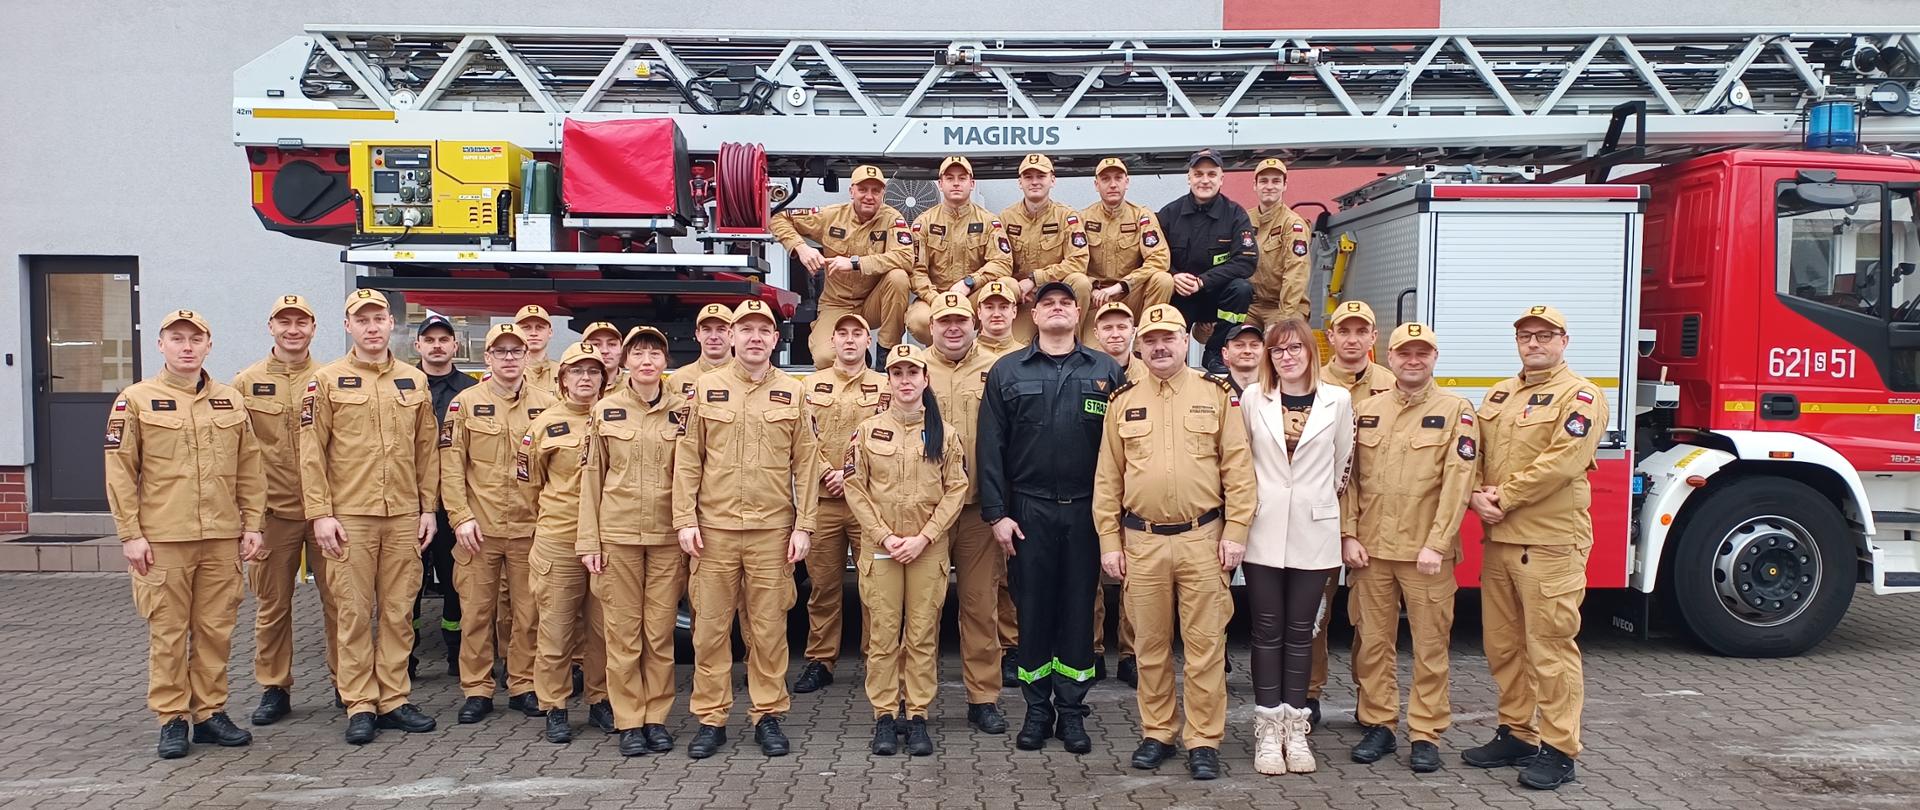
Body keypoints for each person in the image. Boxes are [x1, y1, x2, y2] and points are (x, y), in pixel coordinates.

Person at [1094, 304, 1255, 781]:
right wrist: (1109, 540)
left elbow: (1239, 472)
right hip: (1141, 541)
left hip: (1203, 539)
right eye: (1152, 339)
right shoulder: (1122, 400)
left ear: (1187, 342)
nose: (1160, 346)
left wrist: (1237, 531)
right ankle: (1157, 732)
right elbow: (1108, 479)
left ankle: (1203, 740)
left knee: (1206, 646)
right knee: (1150, 644)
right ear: (1140, 346)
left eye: (1170, 338)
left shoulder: (1215, 394)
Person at [106, 309, 265, 759]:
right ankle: (172, 717)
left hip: (221, 536)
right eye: (177, 338)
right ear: (161, 345)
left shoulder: (230, 401)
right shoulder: (135, 400)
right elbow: (120, 472)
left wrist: (252, 523)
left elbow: (250, 467)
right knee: (169, 632)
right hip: (164, 539)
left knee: (216, 629)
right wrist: (130, 534)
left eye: (196, 338)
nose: (187, 346)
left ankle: (210, 713)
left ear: (209, 345)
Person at [1461, 305, 1607, 791]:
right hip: (1500, 540)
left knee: (1550, 648)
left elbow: (1563, 461)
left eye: (1545, 335)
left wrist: (1503, 495)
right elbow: (1476, 452)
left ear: (1564, 340)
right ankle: (1517, 732)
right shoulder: (1501, 393)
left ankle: (1561, 748)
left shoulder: (1581, 396)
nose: (1534, 343)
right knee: (1504, 646)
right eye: (1526, 336)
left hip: (1548, 542)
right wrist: (1476, 494)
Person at [978, 282, 1126, 755]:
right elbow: (990, 448)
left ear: (1079, 313)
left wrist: (1115, 519)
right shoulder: (1007, 370)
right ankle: (1037, 709)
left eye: (1066, 303)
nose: (1057, 310)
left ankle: (1073, 711)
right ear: (1034, 316)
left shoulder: (1106, 370)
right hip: (1029, 510)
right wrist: (998, 513)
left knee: (1080, 612)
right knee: (1034, 611)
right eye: (1047, 304)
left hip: (1087, 510)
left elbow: (1124, 451)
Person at [674, 299, 819, 759]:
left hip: (772, 532)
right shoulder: (706, 389)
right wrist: (684, 519)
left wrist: (805, 526)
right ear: (732, 338)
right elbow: (687, 462)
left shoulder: (794, 394)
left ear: (777, 339)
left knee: (769, 629)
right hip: (713, 531)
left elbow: (807, 466)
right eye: (746, 329)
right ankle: (711, 718)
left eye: (765, 330)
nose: (755, 337)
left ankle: (768, 714)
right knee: (710, 630)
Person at [297, 288, 441, 744]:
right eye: (363, 320)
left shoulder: (412, 381)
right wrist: (320, 513)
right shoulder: (326, 381)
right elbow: (311, 453)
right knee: (354, 612)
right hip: (350, 515)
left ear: (392, 324)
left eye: (379, 318)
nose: (372, 326)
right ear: (348, 327)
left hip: (402, 515)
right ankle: (359, 701)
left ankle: (395, 698)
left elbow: (426, 450)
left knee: (399, 612)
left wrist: (428, 509)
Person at [1342, 322, 1478, 774]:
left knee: (1430, 646)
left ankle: (1425, 731)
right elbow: (1351, 481)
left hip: (1426, 556)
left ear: (1434, 358)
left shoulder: (1457, 410)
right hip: (1373, 551)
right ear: (1391, 356)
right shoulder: (1367, 409)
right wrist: (1349, 535)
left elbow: (1458, 484)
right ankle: (1379, 722)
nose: (1413, 360)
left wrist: (1438, 544)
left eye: (1422, 353)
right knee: (1372, 643)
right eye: (1404, 353)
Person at [1239, 318, 1354, 775]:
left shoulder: (1338, 400)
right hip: (1263, 529)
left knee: (1302, 632)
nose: (1286, 356)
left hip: (1314, 529)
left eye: (1295, 348)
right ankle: (1268, 730)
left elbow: (1343, 463)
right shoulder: (1253, 398)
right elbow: (1241, 459)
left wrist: (1320, 502)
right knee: (1267, 630)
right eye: (1278, 350)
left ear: (1311, 352)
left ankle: (1295, 728)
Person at [844, 344, 969, 756]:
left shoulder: (944, 433)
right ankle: (883, 714)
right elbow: (855, 487)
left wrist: (925, 537)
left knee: (920, 635)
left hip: (926, 548)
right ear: (889, 380)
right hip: (883, 547)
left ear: (925, 379)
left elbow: (956, 490)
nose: (905, 380)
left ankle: (916, 715)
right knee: (881, 635)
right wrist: (884, 536)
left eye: (912, 373)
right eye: (897, 373)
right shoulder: (867, 430)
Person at [579, 325, 687, 757]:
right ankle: (629, 721)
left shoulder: (683, 412)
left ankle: (657, 718)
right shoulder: (604, 412)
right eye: (638, 354)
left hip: (665, 537)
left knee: (659, 634)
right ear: (624, 362)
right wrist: (590, 541)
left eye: (655, 354)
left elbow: (691, 475)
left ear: (665, 363)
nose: (647, 361)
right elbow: (590, 480)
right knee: (623, 634)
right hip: (618, 537)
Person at [441, 323, 557, 723]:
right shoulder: (465, 404)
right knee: (476, 613)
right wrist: (460, 518)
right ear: (487, 358)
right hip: (480, 530)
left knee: (529, 614)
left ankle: (523, 684)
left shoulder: (549, 403)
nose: (509, 358)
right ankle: (477, 688)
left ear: (528, 357)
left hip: (531, 529)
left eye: (516, 351)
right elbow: (451, 467)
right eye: (500, 351)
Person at [234, 294, 340, 727]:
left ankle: (345, 681)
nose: (293, 329)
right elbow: (238, 454)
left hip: (327, 513)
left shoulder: (332, 378)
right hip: (272, 514)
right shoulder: (245, 383)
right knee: (272, 604)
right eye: (284, 322)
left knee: (340, 602)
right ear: (271, 327)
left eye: (301, 322)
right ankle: (274, 686)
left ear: (314, 328)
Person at [918, 292, 1011, 736]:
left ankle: (983, 698)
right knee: (923, 612)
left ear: (974, 324)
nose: (952, 328)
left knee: (980, 609)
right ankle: (916, 702)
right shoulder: (908, 371)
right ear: (930, 327)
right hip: (925, 516)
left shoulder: (998, 369)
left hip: (976, 511)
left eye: (960, 321)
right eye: (943, 321)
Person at [1303, 298, 1396, 723]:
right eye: (1345, 331)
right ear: (1331, 337)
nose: (1353, 339)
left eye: (1362, 331)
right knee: (1313, 614)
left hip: (1375, 517)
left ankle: (1369, 703)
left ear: (1373, 338)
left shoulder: (1394, 385)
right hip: (1319, 516)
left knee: (1369, 620)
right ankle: (1308, 693)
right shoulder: (1310, 384)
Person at [517, 342, 612, 743]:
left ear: (604, 379)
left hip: (608, 541)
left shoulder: (615, 417)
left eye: (593, 371)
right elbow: (527, 486)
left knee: (603, 629)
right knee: (555, 630)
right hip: (560, 538)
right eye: (577, 371)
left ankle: (600, 699)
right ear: (563, 379)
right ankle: (554, 705)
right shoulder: (544, 425)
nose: (585, 378)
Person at [794, 314, 887, 694]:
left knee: (874, 587)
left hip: (868, 503)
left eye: (858, 334)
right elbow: (801, 441)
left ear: (868, 341)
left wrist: (848, 474)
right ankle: (820, 660)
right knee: (824, 587)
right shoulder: (808, 386)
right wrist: (827, 472)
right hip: (823, 502)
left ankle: (874, 659)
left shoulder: (886, 385)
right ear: (832, 342)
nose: (850, 341)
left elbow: (888, 438)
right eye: (843, 334)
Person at [770, 164, 915, 367]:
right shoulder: (831, 215)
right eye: (863, 190)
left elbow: (906, 257)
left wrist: (856, 263)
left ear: (883, 193)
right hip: (837, 303)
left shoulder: (892, 219)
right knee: (824, 358)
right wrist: (801, 248)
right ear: (851, 191)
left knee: (898, 277)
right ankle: (860, 356)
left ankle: (887, 352)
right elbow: (778, 218)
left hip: (873, 302)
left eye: (875, 191)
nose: (869, 196)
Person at [1157, 149, 1256, 375]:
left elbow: (1247, 261)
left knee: (1242, 289)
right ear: (1189, 177)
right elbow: (1152, 256)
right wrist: (1173, 275)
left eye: (1211, 174)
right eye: (1198, 174)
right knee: (1160, 283)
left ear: (1221, 178)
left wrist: (1203, 281)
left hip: (1216, 296)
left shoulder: (1235, 215)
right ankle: (1171, 358)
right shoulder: (1169, 213)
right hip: (1180, 296)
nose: (1204, 180)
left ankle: (1215, 351)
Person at [413, 313, 474, 678]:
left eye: (444, 339)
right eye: (430, 339)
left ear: (455, 346)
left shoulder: (470, 391)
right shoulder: (403, 385)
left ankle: (456, 655)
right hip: (412, 504)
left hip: (454, 505)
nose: (437, 345)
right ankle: (406, 660)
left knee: (457, 583)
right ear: (418, 345)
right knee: (408, 587)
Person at [1087, 301, 1141, 687]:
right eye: (1107, 328)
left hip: (1137, 489)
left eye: (1122, 326)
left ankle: (1131, 653)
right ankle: (1091, 650)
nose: (1115, 333)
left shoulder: (1148, 375)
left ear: (1133, 331)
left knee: (1136, 577)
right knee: (1088, 571)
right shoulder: (1084, 371)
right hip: (1094, 484)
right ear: (1096, 333)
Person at [906, 156, 1014, 345]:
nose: (956, 183)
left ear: (972, 184)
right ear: (940, 184)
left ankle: (985, 349)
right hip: (936, 296)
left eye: (962, 178)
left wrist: (970, 282)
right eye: (950, 178)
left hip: (973, 296)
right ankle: (941, 354)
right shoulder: (924, 223)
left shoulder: (988, 221)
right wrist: (935, 298)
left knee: (1008, 285)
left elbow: (1002, 263)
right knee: (918, 320)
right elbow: (916, 270)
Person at [999, 153, 1092, 342]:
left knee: (1080, 281)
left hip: (1057, 294)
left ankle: (1072, 343)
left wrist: (1036, 279)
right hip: (1023, 298)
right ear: (1020, 182)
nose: (1034, 182)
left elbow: (1078, 261)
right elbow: (1000, 261)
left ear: (1053, 180)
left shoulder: (1067, 217)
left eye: (1041, 176)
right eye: (1028, 177)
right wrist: (1020, 286)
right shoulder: (1006, 218)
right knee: (1018, 348)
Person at [1081, 157, 1174, 341]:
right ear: (1096, 184)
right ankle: (1073, 349)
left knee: (1163, 279)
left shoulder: (1142, 216)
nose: (1113, 184)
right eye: (1106, 179)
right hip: (1097, 299)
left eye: (1118, 178)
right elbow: (1074, 262)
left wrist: (1121, 285)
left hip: (1130, 294)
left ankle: (1145, 343)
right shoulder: (1083, 218)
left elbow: (1159, 259)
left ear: (1127, 182)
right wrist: (1091, 287)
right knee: (1099, 356)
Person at [1247, 159, 1314, 329]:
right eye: (1263, 181)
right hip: (1251, 305)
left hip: (1285, 304)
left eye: (1276, 181)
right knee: (1232, 338)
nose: (1269, 186)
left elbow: (1296, 272)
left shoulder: (1293, 224)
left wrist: (1283, 318)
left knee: (1281, 341)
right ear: (1254, 185)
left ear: (1285, 186)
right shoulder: (1243, 220)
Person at [667, 303, 735, 400]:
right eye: (707, 330)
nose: (713, 337)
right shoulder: (676, 380)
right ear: (698, 335)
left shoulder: (748, 379)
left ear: (732, 334)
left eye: (721, 329)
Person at [514, 304, 559, 396]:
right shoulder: (502, 371)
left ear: (550, 332)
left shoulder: (563, 371)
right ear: (517, 332)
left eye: (540, 327)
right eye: (526, 327)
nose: (533, 333)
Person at [974, 280, 1027, 357]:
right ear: (979, 313)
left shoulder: (1026, 356)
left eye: (1003, 307)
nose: (996, 314)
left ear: (1014, 312)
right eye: (989, 307)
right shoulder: (967, 354)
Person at [580, 321, 626, 392]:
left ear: (621, 349)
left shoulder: (634, 385)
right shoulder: (570, 385)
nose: (605, 351)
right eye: (596, 344)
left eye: (612, 344)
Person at [1221, 323, 1265, 398]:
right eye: (1239, 345)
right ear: (1225, 353)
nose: (1247, 351)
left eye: (1254, 345)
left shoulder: (1276, 391)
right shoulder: (1215, 392)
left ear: (1264, 352)